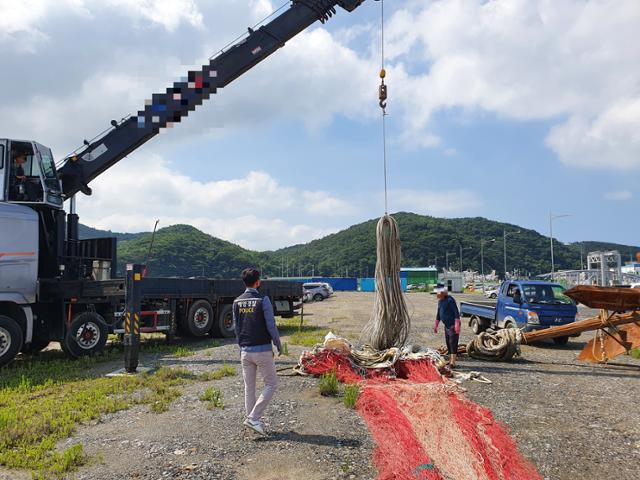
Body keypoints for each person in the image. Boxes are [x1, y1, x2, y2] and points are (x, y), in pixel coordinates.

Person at [233, 268, 282, 436]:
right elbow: (271, 325)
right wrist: (278, 344)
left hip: (245, 351)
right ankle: (253, 418)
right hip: (262, 350)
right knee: (271, 384)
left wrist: (240, 348)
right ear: (258, 282)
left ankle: (252, 420)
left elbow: (237, 328)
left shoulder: (237, 302)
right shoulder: (263, 300)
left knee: (249, 387)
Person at [434, 288, 461, 368]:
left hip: (453, 325)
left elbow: (456, 311)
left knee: (453, 343)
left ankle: (453, 363)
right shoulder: (440, 301)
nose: (437, 295)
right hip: (447, 326)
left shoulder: (450, 300)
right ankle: (450, 361)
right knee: (448, 343)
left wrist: (457, 323)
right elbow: (439, 313)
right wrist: (436, 324)